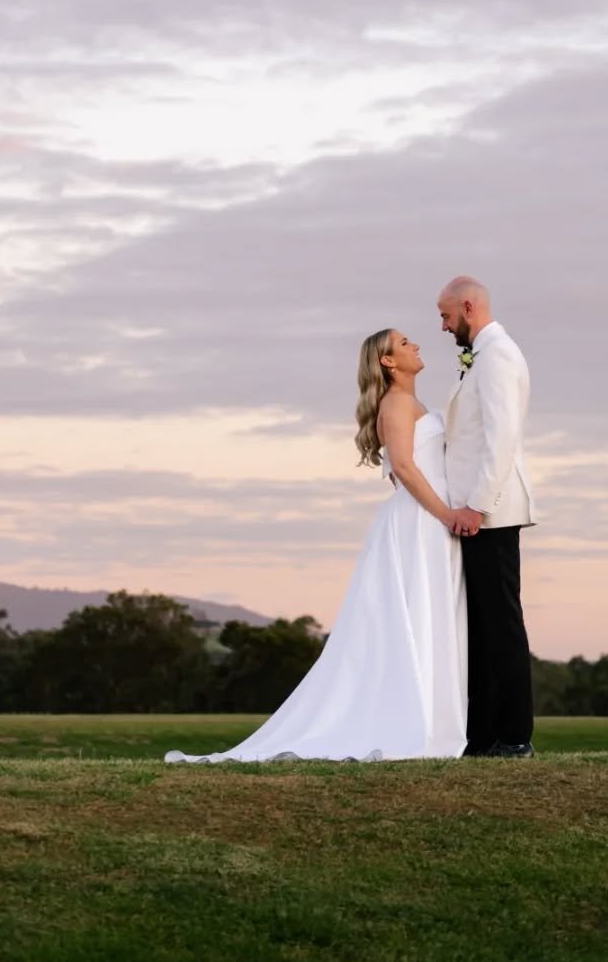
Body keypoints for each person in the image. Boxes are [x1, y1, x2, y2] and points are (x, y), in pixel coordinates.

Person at [166, 328, 468, 762]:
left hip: (429, 516)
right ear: (387, 362)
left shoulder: (410, 402)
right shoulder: (397, 404)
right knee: (417, 610)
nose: (416, 345)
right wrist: (446, 514)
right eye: (404, 344)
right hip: (422, 519)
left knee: (430, 612)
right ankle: (416, 722)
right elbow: (402, 466)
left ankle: (437, 717)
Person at [437, 274, 537, 758]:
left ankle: (515, 736)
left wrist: (476, 505)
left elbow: (501, 440)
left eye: (446, 315)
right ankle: (481, 737)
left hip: (490, 513)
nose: (442, 325)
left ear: (469, 306)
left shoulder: (497, 356)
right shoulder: (481, 357)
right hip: (475, 515)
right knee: (481, 627)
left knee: (501, 625)